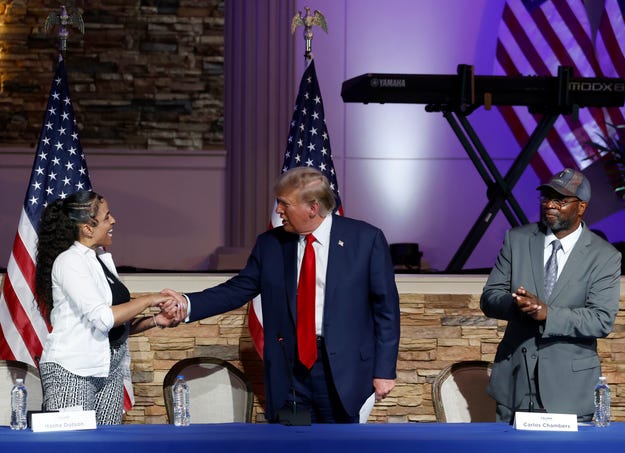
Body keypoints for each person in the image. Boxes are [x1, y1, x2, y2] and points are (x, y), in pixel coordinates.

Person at [162, 167, 400, 423]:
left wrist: (384, 371)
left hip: (343, 371)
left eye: (284, 203)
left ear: (313, 207)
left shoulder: (365, 240)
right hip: (290, 371)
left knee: (339, 446)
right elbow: (237, 289)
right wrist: (187, 304)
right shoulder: (271, 244)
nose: (278, 211)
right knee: (291, 445)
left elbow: (386, 310)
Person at [481, 168, 621, 423]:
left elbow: (601, 319)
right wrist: (518, 306)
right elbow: (490, 297)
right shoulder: (517, 239)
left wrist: (547, 313)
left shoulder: (605, 256)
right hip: (515, 385)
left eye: (560, 200)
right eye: (546, 197)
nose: (550, 205)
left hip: (570, 390)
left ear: (581, 207)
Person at [35, 190, 179, 425]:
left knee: (107, 445)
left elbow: (113, 325)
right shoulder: (70, 261)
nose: (114, 221)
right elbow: (104, 318)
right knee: (75, 447)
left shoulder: (99, 259)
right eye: (106, 217)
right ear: (87, 228)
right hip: (74, 372)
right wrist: (149, 299)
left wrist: (155, 320)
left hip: (108, 371)